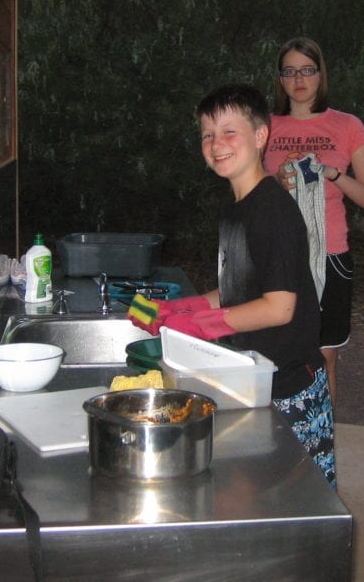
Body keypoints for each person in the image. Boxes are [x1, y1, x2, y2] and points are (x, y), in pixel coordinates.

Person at [130, 83, 336, 486]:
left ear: (260, 136)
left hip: (290, 386)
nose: (216, 143)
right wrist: (182, 310)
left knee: (299, 503)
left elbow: (279, 307)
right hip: (253, 376)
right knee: (253, 494)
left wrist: (203, 327)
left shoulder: (273, 210)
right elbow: (239, 290)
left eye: (229, 131)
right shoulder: (236, 209)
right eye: (207, 134)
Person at [263, 37, 364, 404]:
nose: (299, 79)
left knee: (323, 356)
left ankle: (320, 449)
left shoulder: (347, 126)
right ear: (280, 79)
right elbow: (245, 195)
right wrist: (276, 182)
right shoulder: (265, 127)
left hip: (330, 256)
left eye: (307, 70)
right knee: (273, 355)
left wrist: (333, 174)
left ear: (321, 74)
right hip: (277, 256)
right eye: (290, 71)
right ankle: (282, 442)